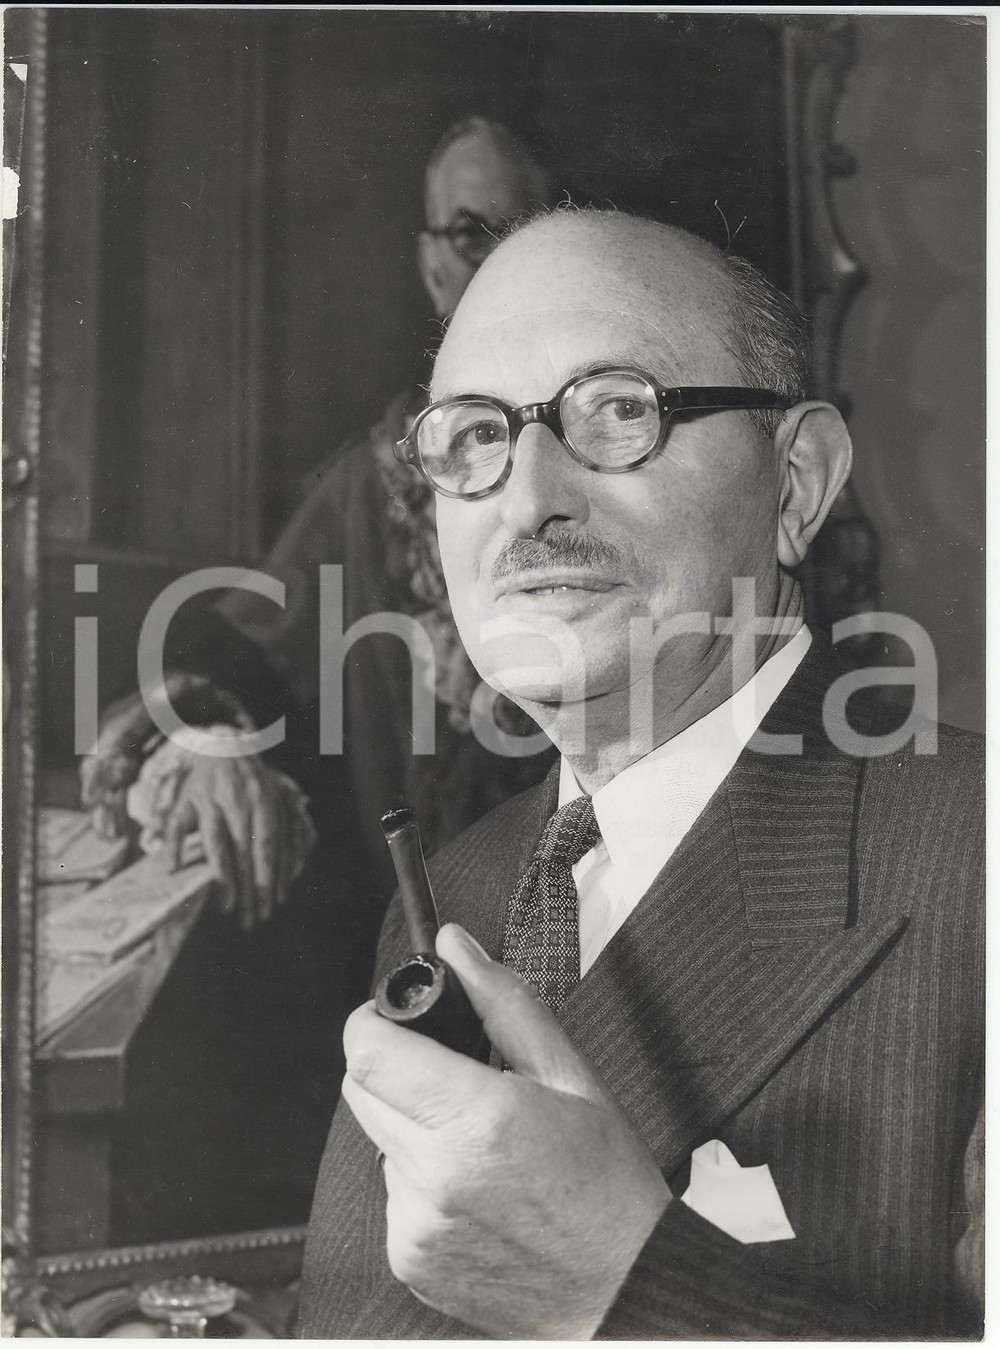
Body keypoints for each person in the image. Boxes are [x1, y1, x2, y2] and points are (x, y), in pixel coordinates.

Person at [299, 209, 984, 1337]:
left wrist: (622, 1283)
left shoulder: (974, 861)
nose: (528, 500)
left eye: (620, 410)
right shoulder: (458, 889)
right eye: (476, 435)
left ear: (796, 484)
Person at [80, 115, 558, 926]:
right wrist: (211, 739)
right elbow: (250, 648)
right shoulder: (369, 485)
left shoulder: (613, 455)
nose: (500, 259)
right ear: (433, 266)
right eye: (471, 233)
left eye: (522, 231)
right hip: (419, 929)